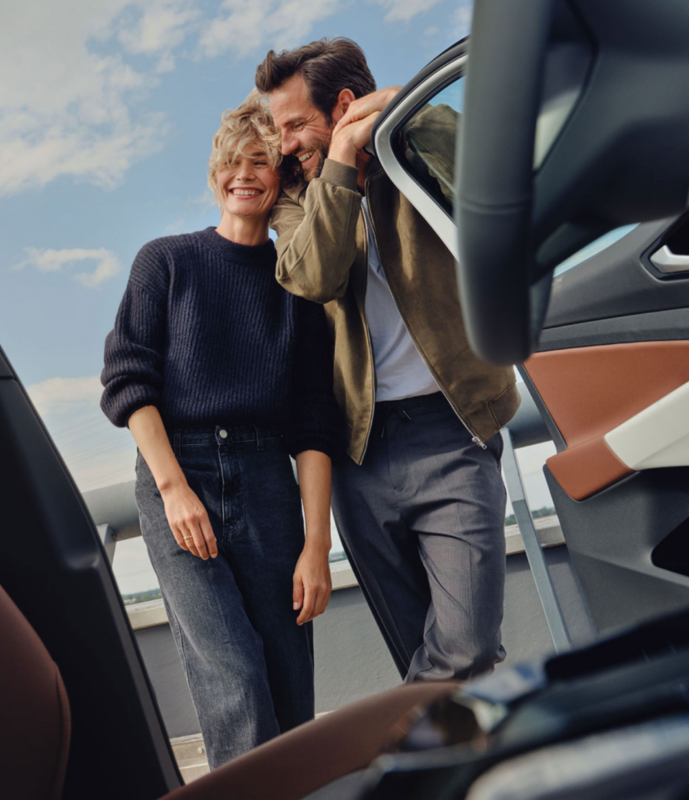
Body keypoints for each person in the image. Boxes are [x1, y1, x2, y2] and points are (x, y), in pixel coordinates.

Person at [254, 39, 521, 683]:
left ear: (343, 104)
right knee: (419, 655)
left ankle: (404, 760)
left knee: (467, 649)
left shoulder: (421, 134)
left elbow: (496, 194)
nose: (285, 144)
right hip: (360, 454)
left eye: (295, 124)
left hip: (453, 432)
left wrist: (408, 112)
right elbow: (312, 275)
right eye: (278, 128)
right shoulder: (301, 194)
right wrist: (339, 160)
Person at [100, 94, 341, 768]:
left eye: (261, 162)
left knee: (290, 687)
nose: (244, 174)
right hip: (180, 476)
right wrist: (175, 490)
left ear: (279, 178)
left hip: (268, 483)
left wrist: (317, 544)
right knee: (233, 675)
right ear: (215, 175)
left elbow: (314, 422)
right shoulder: (165, 262)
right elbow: (128, 381)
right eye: (232, 162)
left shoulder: (297, 287)